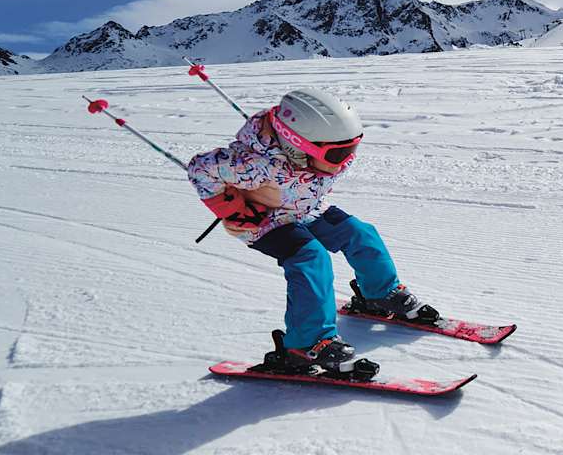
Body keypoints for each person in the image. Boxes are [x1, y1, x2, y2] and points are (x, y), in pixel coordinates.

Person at [187, 89, 440, 377]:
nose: (346, 160)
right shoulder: (253, 166)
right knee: (312, 258)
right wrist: (231, 209)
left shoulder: (322, 154)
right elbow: (200, 169)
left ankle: (380, 294)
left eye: (352, 149)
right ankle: (306, 345)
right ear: (296, 146)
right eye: (338, 153)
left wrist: (328, 163)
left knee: (361, 234)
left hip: (307, 209)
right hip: (266, 221)